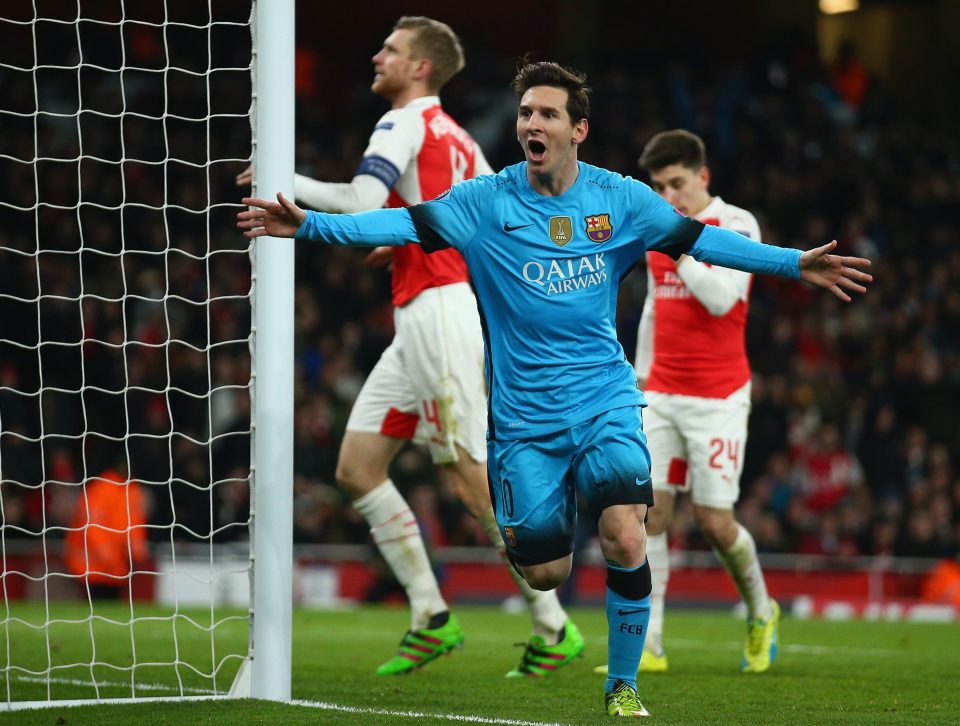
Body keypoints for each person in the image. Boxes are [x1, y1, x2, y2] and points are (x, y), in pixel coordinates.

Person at [237, 61, 872, 717]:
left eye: (546, 114)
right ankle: (555, 518)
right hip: (524, 423)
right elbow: (397, 225)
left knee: (627, 533)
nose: (531, 124)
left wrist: (795, 264)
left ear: (579, 130)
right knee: (546, 571)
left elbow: (702, 243)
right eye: (525, 114)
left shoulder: (621, 200)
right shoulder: (485, 203)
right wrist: (308, 225)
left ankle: (622, 687)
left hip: (605, 401)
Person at [239, 18, 581, 678]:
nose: (377, 56)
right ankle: (430, 613)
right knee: (358, 468)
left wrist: (289, 181)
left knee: (463, 471)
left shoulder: (403, 122)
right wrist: (408, 238)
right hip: (423, 313)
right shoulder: (456, 137)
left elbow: (360, 197)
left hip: (437, 315)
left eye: (390, 50)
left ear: (420, 67)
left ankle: (553, 621)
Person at [594, 128, 778, 679]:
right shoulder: (662, 229)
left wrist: (678, 244)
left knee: (717, 523)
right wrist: (639, 379)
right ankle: (649, 642)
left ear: (703, 177)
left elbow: (724, 299)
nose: (668, 195)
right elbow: (656, 306)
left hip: (719, 398)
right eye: (659, 186)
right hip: (663, 394)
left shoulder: (737, 224)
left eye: (677, 183)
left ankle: (761, 612)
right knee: (651, 514)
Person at [64, 465, 148, 601]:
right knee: (93, 603)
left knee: (110, 603)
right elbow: (91, 524)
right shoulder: (101, 488)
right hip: (92, 562)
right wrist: (106, 552)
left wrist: (136, 549)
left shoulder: (132, 490)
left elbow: (135, 522)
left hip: (115, 563)